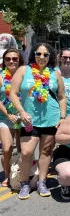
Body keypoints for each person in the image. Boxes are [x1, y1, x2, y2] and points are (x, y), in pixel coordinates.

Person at [10, 43, 66, 200]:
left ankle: (42, 181)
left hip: (51, 119)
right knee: (27, 152)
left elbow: (62, 97)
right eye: (38, 54)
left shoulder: (55, 74)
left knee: (46, 152)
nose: (42, 57)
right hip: (29, 120)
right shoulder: (23, 70)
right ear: (33, 54)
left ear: (50, 57)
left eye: (46, 55)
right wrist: (21, 111)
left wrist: (62, 117)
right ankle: (24, 183)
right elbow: (13, 93)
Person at [0, 49, 24, 187]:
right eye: (8, 59)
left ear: (19, 60)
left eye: (14, 59)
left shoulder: (25, 76)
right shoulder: (1, 76)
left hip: (23, 117)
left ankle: (21, 174)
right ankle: (8, 175)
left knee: (23, 150)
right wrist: (8, 114)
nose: (11, 61)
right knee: (7, 148)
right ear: (4, 61)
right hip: (5, 117)